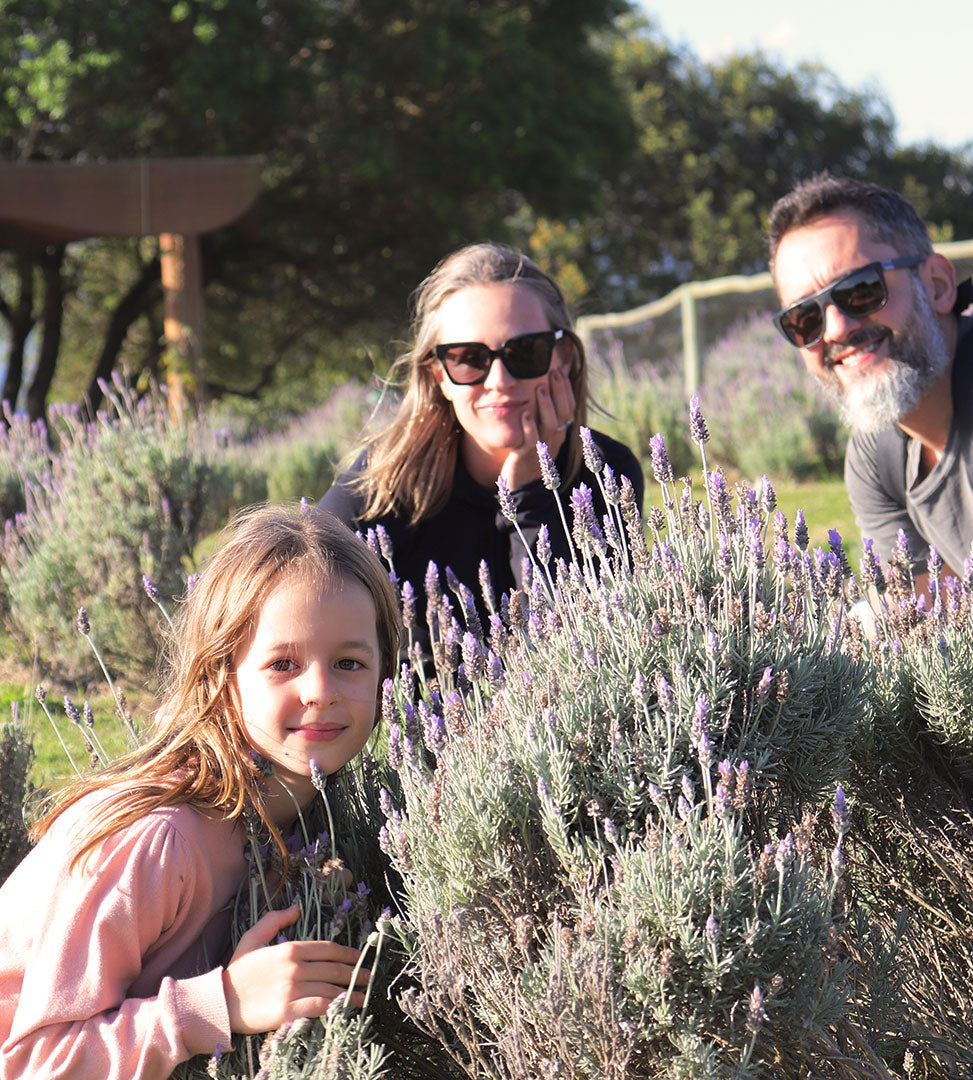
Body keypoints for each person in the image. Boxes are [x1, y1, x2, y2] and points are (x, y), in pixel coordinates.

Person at [0, 503, 401, 1080]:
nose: (321, 690)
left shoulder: (307, 817)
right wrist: (224, 1003)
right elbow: (33, 1064)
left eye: (349, 662)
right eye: (282, 663)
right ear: (221, 674)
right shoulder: (158, 841)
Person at [767, 174, 973, 595]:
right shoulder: (876, 451)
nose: (836, 329)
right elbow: (913, 625)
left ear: (937, 285)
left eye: (860, 290)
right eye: (804, 318)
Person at [320, 241, 644, 636]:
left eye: (525, 352)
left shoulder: (607, 473)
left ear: (563, 358)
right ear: (439, 375)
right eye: (468, 358)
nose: (500, 382)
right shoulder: (383, 485)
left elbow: (582, 647)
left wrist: (530, 492)